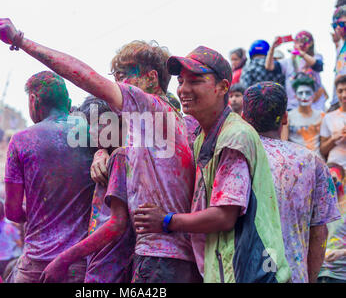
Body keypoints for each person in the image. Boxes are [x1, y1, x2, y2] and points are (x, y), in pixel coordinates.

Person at [0, 18, 198, 283]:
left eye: (124, 76)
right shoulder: (174, 122)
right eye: (115, 77)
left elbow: (84, 76)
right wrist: (102, 151)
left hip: (159, 261)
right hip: (171, 257)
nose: (116, 84)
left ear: (151, 78)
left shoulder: (150, 107)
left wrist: (20, 40)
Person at [133, 45, 291, 283]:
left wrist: (166, 220)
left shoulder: (234, 136)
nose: (184, 89)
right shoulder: (202, 137)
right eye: (181, 81)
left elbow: (224, 216)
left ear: (223, 87)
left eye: (195, 80)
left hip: (250, 274)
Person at [242, 81, 340, 282]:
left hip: (241, 274)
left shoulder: (234, 157)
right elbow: (319, 233)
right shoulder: (313, 162)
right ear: (285, 117)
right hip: (294, 275)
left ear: (243, 118)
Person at [3, 70, 95, 283]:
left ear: (34, 101)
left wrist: (38, 215)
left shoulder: (21, 141)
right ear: (68, 102)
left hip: (37, 263)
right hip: (78, 262)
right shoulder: (91, 133)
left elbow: (12, 211)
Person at [42, 96, 135, 283]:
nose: (92, 131)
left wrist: (64, 259)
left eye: (100, 124)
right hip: (100, 262)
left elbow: (117, 223)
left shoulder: (122, 157)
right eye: (90, 125)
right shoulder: (103, 154)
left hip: (112, 265)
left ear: (119, 123)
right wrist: (101, 151)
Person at [266, 31, 327, 111]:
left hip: (314, 107)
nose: (300, 44)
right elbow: (269, 67)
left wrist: (302, 54)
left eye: (303, 41)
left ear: (311, 43)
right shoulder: (288, 62)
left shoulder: (316, 57)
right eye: (297, 41)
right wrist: (272, 48)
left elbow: (318, 66)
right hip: (294, 107)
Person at [281, 73, 325, 154]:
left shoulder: (321, 116)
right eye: (301, 93)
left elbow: (324, 145)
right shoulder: (288, 116)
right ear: (296, 95)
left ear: (314, 94)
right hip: (296, 162)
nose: (304, 97)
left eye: (308, 93)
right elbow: (284, 143)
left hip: (317, 161)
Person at [318, 162, 345, 283]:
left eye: (333, 178)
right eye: (325, 178)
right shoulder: (317, 208)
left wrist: (343, 252)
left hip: (341, 275)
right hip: (318, 273)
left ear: (343, 181)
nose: (330, 183)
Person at [320, 75, 346, 170]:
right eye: (340, 91)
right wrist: (334, 138)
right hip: (335, 171)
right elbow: (323, 150)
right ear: (336, 93)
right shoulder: (328, 117)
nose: (344, 95)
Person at [330, 5, 346, 110]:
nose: (337, 28)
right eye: (334, 25)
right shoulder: (341, 46)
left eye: (341, 24)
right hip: (340, 99)